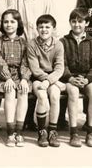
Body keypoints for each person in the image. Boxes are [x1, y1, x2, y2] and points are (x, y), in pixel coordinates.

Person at [60, 8, 92, 147]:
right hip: (70, 77)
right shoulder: (64, 41)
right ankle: (74, 132)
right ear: (70, 23)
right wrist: (69, 78)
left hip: (87, 77)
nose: (77, 24)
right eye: (74, 21)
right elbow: (62, 64)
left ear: (87, 23)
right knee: (73, 92)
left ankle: (90, 131)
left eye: (80, 21)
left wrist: (88, 79)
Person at [27, 14, 64, 147]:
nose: (44, 29)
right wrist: (47, 80)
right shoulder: (32, 44)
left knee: (54, 95)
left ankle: (52, 131)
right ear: (37, 28)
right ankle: (42, 131)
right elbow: (35, 68)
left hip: (52, 78)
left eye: (47, 27)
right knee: (42, 96)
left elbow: (59, 68)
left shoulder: (58, 44)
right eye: (41, 27)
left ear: (53, 29)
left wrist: (49, 81)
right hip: (37, 78)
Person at [0, 9, 30, 147]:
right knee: (9, 91)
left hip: (21, 75)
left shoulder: (24, 42)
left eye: (12, 21)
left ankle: (19, 131)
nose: (9, 24)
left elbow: (27, 62)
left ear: (18, 23)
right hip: (4, 76)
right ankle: (10, 132)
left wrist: (24, 78)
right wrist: (7, 77)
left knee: (23, 91)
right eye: (6, 22)